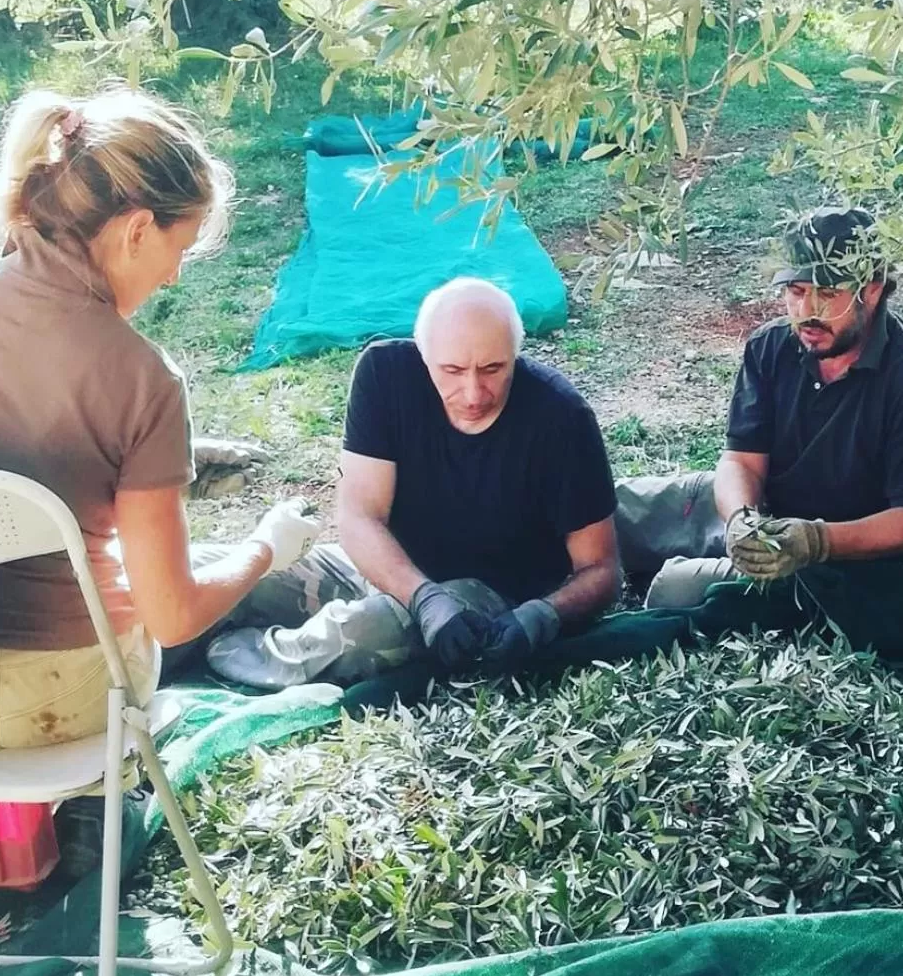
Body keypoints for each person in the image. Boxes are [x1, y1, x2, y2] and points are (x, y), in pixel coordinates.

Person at [0, 87, 320, 751]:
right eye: (180, 251)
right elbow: (171, 615)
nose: (171, 279)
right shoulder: (144, 379)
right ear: (136, 230)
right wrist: (269, 546)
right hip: (49, 704)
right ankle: (97, 808)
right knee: (178, 591)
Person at [205, 277, 621, 688]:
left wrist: (542, 616)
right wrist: (421, 596)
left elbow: (601, 569)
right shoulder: (386, 375)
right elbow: (359, 515)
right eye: (453, 371)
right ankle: (182, 633)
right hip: (388, 566)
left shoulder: (561, 417)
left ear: (516, 354)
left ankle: (250, 658)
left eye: (493, 369)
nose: (473, 392)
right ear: (424, 356)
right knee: (229, 576)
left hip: (487, 593)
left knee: (360, 635)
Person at [643, 204, 903, 607]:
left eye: (829, 294)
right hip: (764, 513)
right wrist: (741, 520)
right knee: (610, 509)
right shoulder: (770, 345)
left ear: (873, 290)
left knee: (670, 593)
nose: (808, 311)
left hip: (844, 556)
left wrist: (814, 540)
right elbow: (741, 461)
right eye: (796, 292)